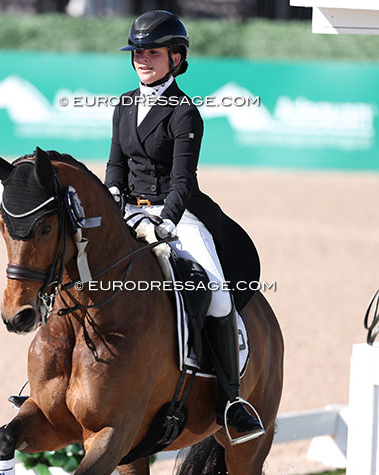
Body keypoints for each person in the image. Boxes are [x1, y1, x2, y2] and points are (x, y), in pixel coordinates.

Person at [105, 9, 264, 444]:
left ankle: (231, 400)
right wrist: (113, 197)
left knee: (217, 294)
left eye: (153, 53)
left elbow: (181, 181)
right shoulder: (123, 105)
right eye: (138, 53)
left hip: (178, 213)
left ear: (176, 58)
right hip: (130, 210)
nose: (142, 60)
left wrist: (165, 222)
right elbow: (116, 165)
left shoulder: (184, 113)